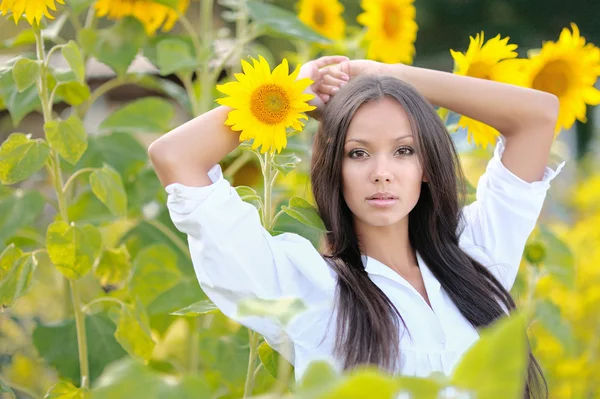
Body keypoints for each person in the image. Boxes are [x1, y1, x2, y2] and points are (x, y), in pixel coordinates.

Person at [148, 55, 564, 398]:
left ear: (425, 166)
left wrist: (394, 76)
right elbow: (176, 155)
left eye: (403, 150)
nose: (382, 173)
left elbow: (538, 115)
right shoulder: (305, 286)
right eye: (358, 153)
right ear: (334, 168)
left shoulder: (476, 256)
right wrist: (288, 93)